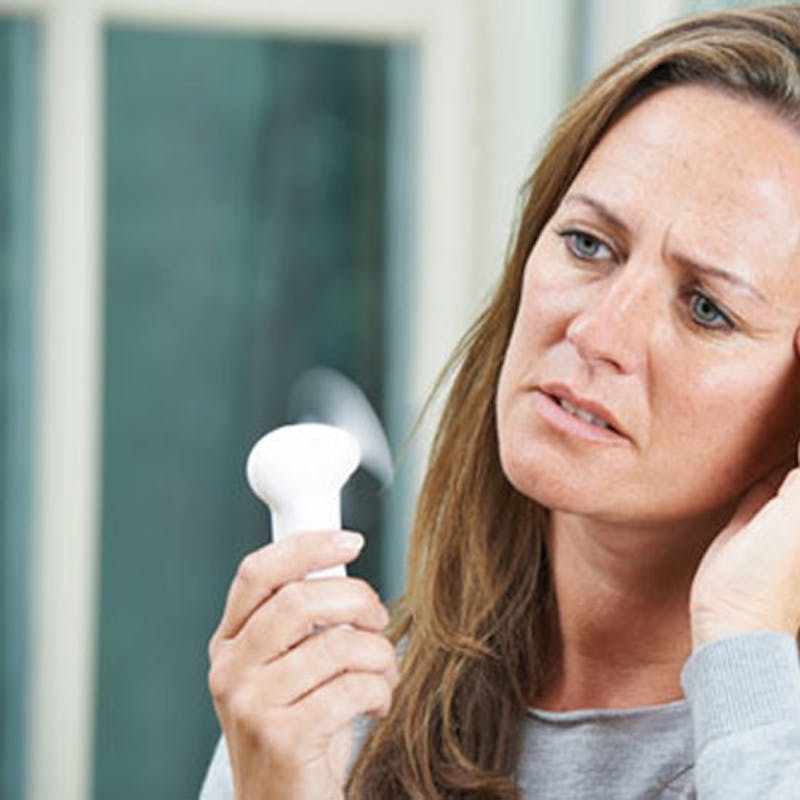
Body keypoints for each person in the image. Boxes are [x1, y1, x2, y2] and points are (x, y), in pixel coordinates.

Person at [200, 5, 800, 798]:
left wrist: (749, 663)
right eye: (589, 244)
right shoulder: (338, 716)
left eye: (706, 308)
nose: (595, 330)